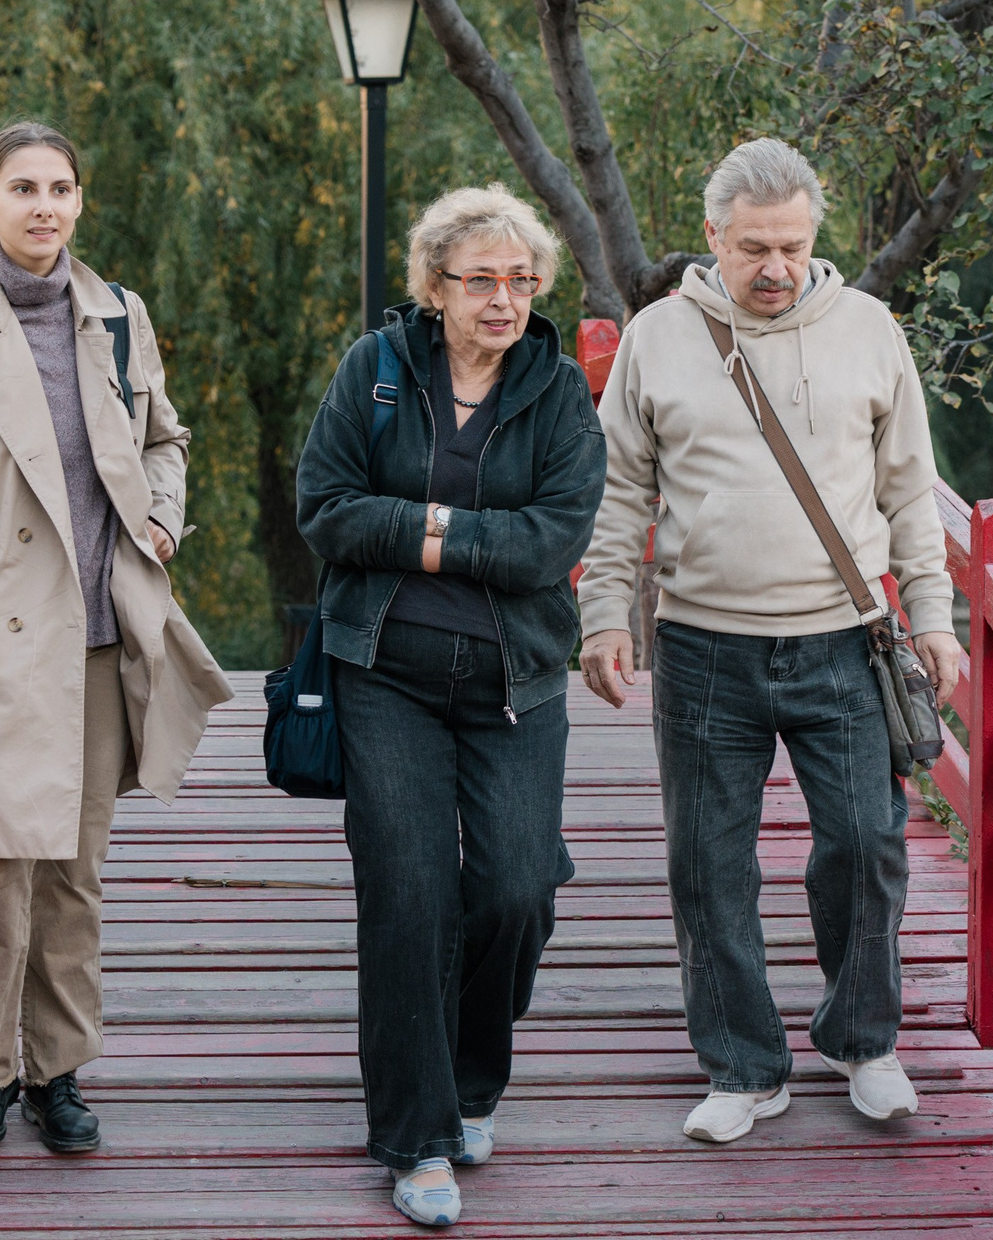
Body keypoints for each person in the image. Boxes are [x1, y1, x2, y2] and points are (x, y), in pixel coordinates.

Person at [576, 137, 964, 1143]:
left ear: (813, 235)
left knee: (867, 844)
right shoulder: (659, 337)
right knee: (708, 862)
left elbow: (908, 491)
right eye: (753, 247)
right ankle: (743, 1065)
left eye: (791, 244)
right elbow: (619, 494)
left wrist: (933, 615)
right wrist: (603, 613)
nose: (775, 267)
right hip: (703, 647)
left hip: (843, 641)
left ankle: (863, 1039)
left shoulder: (870, 331)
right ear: (713, 238)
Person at [0, 121, 230, 1156]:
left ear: (80, 201)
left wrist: (163, 516)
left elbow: (165, 438)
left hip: (98, 634)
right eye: (23, 187)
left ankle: (60, 1071)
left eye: (62, 188)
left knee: (76, 868)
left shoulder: (119, 317)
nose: (45, 205)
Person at [297, 186, 607, 1230]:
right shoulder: (374, 372)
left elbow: (549, 544)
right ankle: (416, 1136)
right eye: (481, 279)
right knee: (410, 894)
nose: (504, 299)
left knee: (517, 888)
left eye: (521, 281)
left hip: (515, 682)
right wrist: (467, 529)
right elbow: (325, 508)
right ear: (435, 286)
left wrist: (422, 529)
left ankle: (473, 1078)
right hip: (383, 672)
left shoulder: (558, 393)